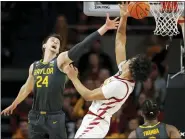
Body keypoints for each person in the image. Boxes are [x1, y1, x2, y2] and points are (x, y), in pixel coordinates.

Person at [1, 14, 119, 139]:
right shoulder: (34, 66)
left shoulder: (60, 60)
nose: (55, 42)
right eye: (52, 40)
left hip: (54, 116)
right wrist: (14, 104)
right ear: (44, 46)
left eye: (57, 42)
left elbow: (81, 46)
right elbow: (26, 87)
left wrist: (104, 28)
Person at [64, 2, 152, 138]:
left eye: (131, 61)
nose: (128, 60)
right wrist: (124, 17)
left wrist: (73, 77)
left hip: (96, 122)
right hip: (96, 121)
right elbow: (120, 41)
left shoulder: (119, 86)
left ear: (131, 69)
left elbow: (88, 95)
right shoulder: (125, 72)